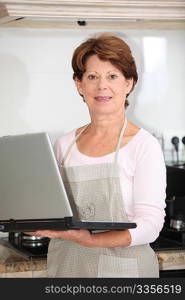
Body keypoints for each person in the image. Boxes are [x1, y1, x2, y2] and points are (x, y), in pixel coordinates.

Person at [33, 33, 166, 277]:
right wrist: (32, 220)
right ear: (79, 84)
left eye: (112, 76)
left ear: (128, 83)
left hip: (125, 273)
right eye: (92, 76)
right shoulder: (64, 145)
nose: (102, 86)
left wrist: (90, 240)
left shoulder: (144, 146)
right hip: (68, 269)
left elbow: (150, 226)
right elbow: (51, 211)